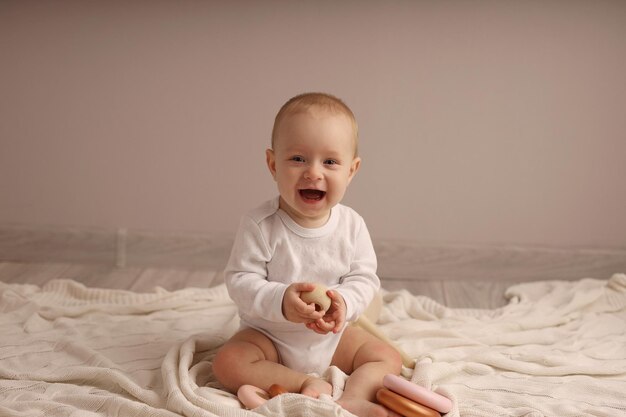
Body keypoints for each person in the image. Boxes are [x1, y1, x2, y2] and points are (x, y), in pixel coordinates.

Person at [212, 92, 402, 417]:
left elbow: (364, 278)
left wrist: (345, 303)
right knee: (227, 362)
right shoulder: (260, 225)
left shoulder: (352, 225)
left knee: (387, 357)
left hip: (333, 338)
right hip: (270, 336)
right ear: (273, 164)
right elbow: (240, 281)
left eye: (330, 162)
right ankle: (301, 383)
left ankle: (353, 397)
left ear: (352, 171)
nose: (313, 172)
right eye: (298, 159)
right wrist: (281, 300)